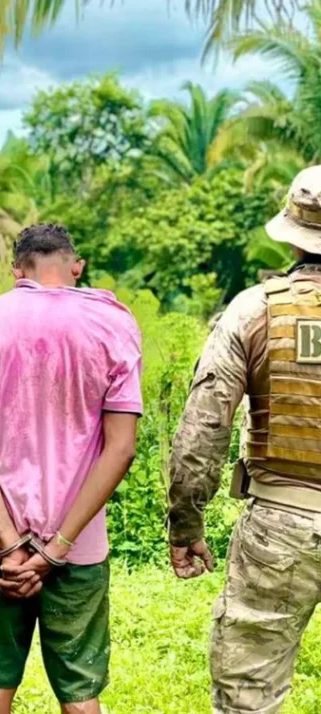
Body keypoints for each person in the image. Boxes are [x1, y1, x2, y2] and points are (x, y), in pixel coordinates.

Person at [0, 223, 141, 714]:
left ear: (17, 271)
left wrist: (13, 545)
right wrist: (56, 549)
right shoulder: (113, 324)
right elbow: (120, 449)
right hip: (79, 544)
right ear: (77, 266)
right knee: (80, 693)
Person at [168, 164, 321, 714]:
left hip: (281, 526)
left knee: (248, 697)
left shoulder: (253, 310)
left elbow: (202, 432)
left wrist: (186, 523)